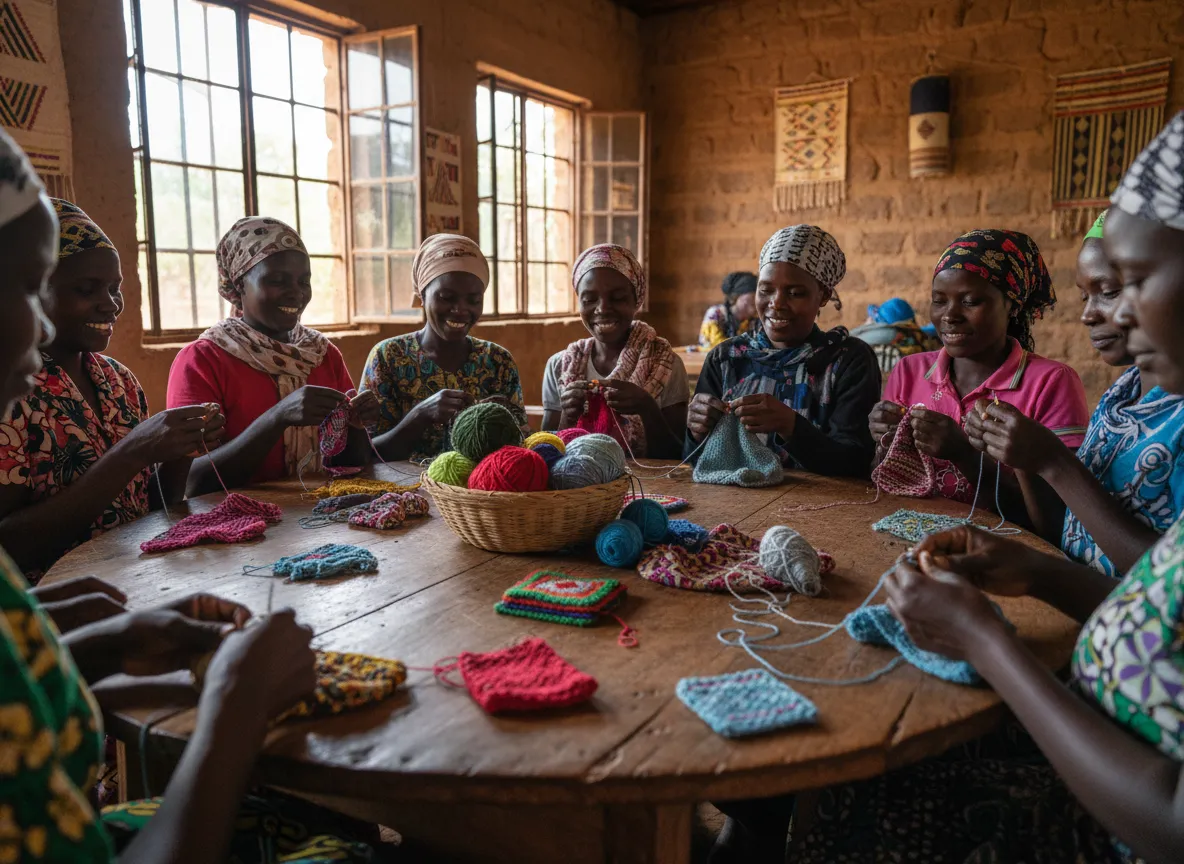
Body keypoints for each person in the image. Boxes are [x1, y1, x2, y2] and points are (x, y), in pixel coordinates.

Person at [786, 109, 1184, 864]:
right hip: (1081, 694)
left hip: (1100, 803)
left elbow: (1171, 820)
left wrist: (986, 639)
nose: (1111, 315)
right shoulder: (1129, 395)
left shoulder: (1052, 384)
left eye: (1131, 282)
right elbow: (1160, 603)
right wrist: (1035, 570)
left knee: (860, 776)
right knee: (844, 756)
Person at [0, 128, 374, 863]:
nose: (39, 325)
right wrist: (237, 706)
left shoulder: (113, 381)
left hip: (132, 584)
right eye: (25, 288)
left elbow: (165, 503)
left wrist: (93, 640)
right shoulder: (198, 358)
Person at [0, 199, 225, 581]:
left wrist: (180, 452)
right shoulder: (10, 388)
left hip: (134, 581)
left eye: (114, 288)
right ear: (32, 291)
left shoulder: (118, 381)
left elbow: (148, 510)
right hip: (53, 600)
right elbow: (8, 549)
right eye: (87, 289)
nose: (111, 305)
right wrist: (132, 452)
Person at [960, 212, 1184, 577]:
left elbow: (1168, 581)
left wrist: (1054, 461)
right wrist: (1025, 458)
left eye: (1109, 292)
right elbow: (1067, 532)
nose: (1088, 314)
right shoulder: (1121, 394)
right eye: (1084, 296)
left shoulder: (1173, 419)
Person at [868, 229, 1090, 518]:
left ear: (1012, 305)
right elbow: (884, 480)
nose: (950, 315)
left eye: (970, 301)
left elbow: (1059, 519)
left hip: (1006, 542)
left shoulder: (1051, 382)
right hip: (909, 531)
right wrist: (883, 439)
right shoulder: (910, 371)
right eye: (939, 300)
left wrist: (966, 455)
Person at [167, 217, 378, 495]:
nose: (296, 294)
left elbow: (353, 465)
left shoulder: (320, 354)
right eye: (278, 281)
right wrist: (277, 418)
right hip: (235, 519)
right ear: (239, 285)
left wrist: (356, 425)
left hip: (318, 511)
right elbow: (192, 482)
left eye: (304, 282)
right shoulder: (202, 361)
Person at [686, 224, 880, 477]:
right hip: (733, 497)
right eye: (765, 290)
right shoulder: (726, 359)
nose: (776, 303)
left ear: (823, 296)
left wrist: (791, 426)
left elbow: (856, 464)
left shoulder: (848, 361)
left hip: (821, 501)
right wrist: (696, 431)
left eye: (795, 293)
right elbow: (696, 463)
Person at [364, 233, 527, 461]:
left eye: (474, 300)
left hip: (478, 484)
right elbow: (367, 452)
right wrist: (420, 415)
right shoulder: (389, 357)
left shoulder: (497, 361)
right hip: (400, 483)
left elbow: (519, 444)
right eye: (447, 297)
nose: (460, 310)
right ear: (422, 295)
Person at [542, 244, 688, 459]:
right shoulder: (560, 366)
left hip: (647, 480)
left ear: (636, 301)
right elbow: (544, 452)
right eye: (589, 300)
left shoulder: (665, 364)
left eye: (618, 298)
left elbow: (679, 457)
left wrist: (647, 408)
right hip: (579, 479)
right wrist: (568, 415)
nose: (602, 308)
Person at [699, 271, 758, 349]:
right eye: (753, 294)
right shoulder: (715, 314)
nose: (757, 299)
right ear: (737, 296)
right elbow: (718, 347)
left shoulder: (755, 319)